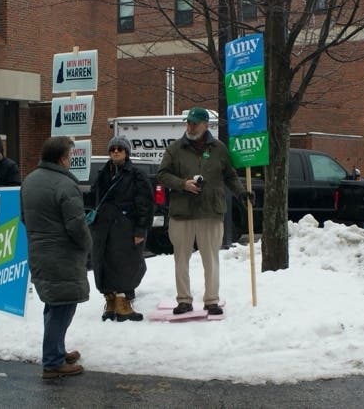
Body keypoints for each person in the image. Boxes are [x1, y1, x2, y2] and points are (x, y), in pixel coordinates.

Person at [156, 106, 248, 316]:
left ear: (206, 125)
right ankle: (184, 300)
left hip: (210, 211)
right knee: (181, 259)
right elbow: (161, 175)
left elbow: (230, 176)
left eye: (194, 123)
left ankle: (212, 300)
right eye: (188, 122)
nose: (190, 126)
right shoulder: (175, 149)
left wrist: (241, 193)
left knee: (211, 258)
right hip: (182, 212)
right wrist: (182, 184)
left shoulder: (219, 149)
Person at [20, 136, 91, 379]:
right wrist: (87, 245)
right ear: (62, 158)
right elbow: (76, 226)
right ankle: (52, 362)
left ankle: (57, 351)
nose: (71, 160)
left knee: (54, 305)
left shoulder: (29, 180)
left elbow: (24, 218)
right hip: (62, 254)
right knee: (62, 307)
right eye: (70, 156)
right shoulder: (65, 184)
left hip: (39, 251)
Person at [90, 135, 152, 322]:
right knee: (104, 262)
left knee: (128, 264)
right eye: (112, 149)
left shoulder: (136, 175)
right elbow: (95, 198)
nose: (116, 151)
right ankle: (110, 301)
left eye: (120, 148)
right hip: (104, 227)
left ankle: (123, 302)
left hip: (126, 227)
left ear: (126, 152)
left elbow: (145, 205)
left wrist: (141, 230)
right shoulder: (102, 173)